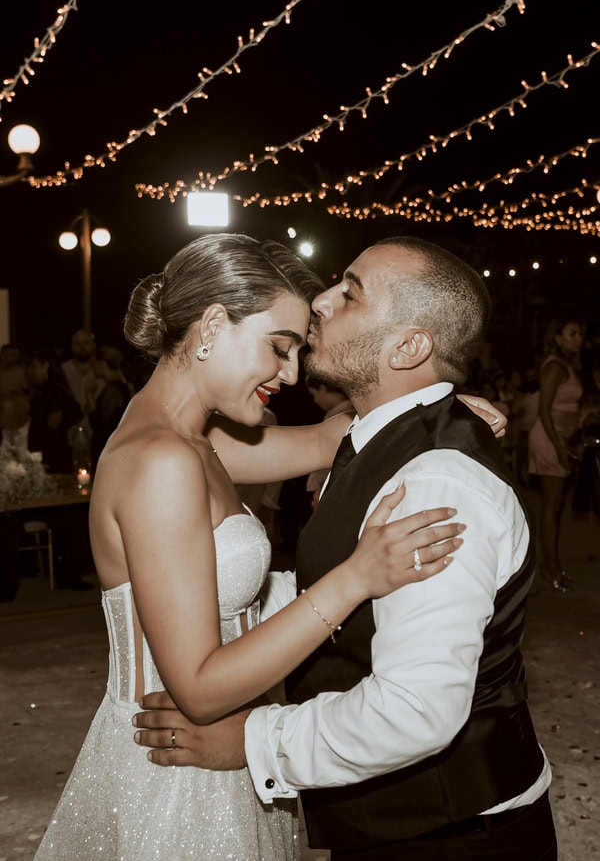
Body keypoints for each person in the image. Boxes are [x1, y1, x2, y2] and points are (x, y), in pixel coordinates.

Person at [34, 234, 468, 861]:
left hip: (221, 749)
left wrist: (445, 409)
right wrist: (355, 578)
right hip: (180, 768)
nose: (290, 374)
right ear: (213, 326)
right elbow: (199, 688)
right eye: (279, 348)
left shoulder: (197, 441)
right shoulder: (161, 460)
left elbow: (329, 439)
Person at [135, 236, 556, 861]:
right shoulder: (368, 441)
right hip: (395, 826)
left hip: (453, 838)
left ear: (409, 347)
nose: (321, 302)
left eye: (350, 294)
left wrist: (254, 741)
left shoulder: (434, 484)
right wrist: (429, 408)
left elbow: (413, 711)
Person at [528, 315, 585, 591]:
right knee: (551, 507)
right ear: (558, 339)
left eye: (580, 334)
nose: (578, 339)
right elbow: (544, 411)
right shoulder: (554, 367)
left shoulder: (567, 366)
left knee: (556, 506)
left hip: (559, 438)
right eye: (572, 333)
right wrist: (559, 448)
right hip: (549, 440)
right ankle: (550, 570)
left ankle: (552, 566)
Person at [305, 374, 354, 508]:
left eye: (314, 394)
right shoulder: (348, 409)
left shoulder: (341, 413)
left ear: (323, 388)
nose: (315, 400)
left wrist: (323, 484)